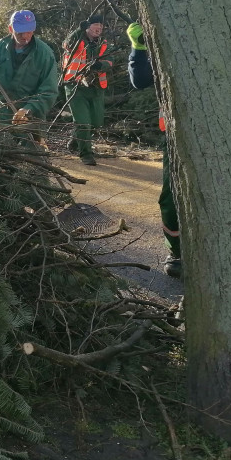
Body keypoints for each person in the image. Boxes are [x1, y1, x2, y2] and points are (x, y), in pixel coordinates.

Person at [126, 22, 183, 279]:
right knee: (170, 199)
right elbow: (140, 80)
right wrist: (138, 49)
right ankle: (177, 253)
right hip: (174, 135)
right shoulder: (165, 31)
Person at [0, 10, 59, 127]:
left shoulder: (45, 54)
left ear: (33, 29)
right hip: (3, 112)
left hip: (32, 117)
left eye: (28, 32)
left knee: (31, 145)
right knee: (0, 144)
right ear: (10, 29)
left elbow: (49, 91)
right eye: (20, 32)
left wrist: (28, 109)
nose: (25, 36)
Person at [62, 14, 113, 166]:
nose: (99, 28)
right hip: (75, 86)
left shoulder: (103, 43)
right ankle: (86, 154)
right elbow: (67, 44)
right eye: (96, 24)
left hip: (96, 88)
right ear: (88, 27)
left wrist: (101, 66)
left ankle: (75, 140)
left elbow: (110, 60)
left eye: (101, 26)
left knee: (96, 122)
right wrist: (78, 30)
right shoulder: (77, 39)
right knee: (84, 123)